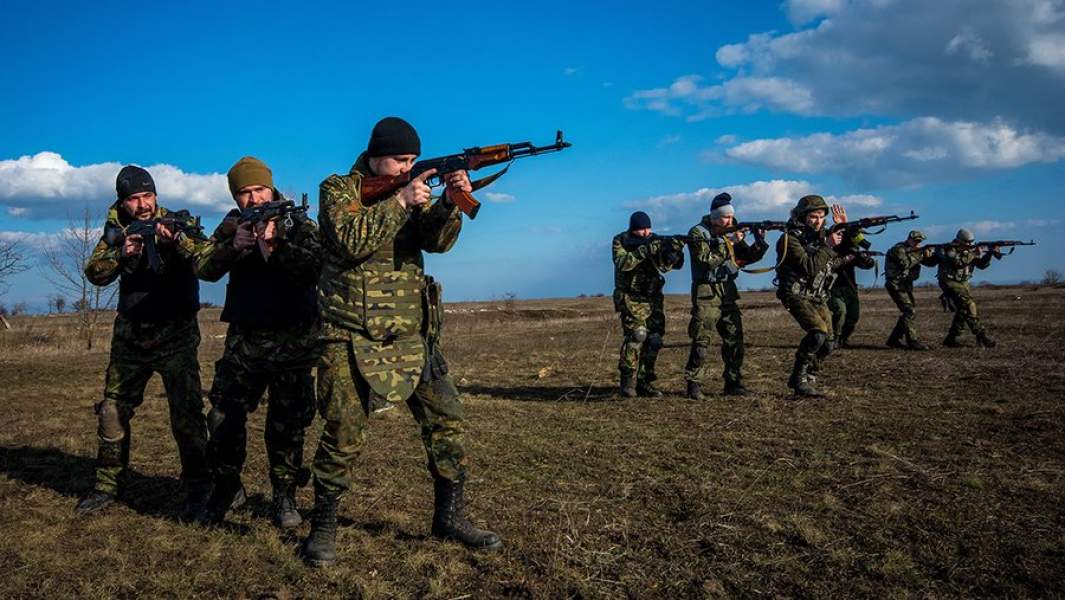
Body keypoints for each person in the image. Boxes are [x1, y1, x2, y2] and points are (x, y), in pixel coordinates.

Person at [303, 117, 501, 567]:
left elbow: (439, 243)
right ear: (375, 156)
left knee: (446, 420)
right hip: (348, 333)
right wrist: (401, 199)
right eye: (399, 160)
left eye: (412, 161)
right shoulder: (338, 188)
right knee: (343, 433)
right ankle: (325, 527)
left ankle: (449, 518)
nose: (405, 167)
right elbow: (351, 240)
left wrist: (451, 201)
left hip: (412, 332)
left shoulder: (410, 191)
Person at [192, 157, 322, 528]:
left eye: (258, 189)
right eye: (244, 192)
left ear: (271, 187)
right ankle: (227, 487)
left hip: (293, 341)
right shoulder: (231, 225)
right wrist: (234, 246)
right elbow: (203, 268)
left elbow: (316, 268)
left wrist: (277, 243)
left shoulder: (297, 221)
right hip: (244, 342)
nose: (252, 198)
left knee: (287, 424)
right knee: (222, 417)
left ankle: (284, 495)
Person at [76, 165, 211, 518]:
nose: (143, 205)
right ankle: (106, 485)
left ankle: (198, 487)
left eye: (147, 196)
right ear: (123, 202)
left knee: (187, 416)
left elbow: (205, 258)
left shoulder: (178, 223)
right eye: (134, 199)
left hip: (177, 334)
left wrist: (176, 241)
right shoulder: (117, 231)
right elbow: (94, 273)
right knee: (112, 412)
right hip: (131, 337)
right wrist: (123, 254)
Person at [683, 193, 768, 400]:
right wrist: (727, 242)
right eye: (725, 217)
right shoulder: (698, 233)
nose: (729, 221)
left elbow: (746, 257)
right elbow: (705, 261)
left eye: (731, 217)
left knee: (734, 338)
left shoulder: (731, 231)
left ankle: (733, 382)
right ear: (714, 217)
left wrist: (759, 242)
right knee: (702, 340)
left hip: (728, 293)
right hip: (706, 294)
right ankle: (694, 383)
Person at [775, 195, 856, 397]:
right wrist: (828, 244)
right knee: (817, 333)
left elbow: (832, 260)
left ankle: (809, 374)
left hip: (817, 295)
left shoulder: (822, 237)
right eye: (813, 216)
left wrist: (844, 230)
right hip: (795, 294)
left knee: (829, 342)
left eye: (821, 217)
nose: (818, 221)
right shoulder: (789, 239)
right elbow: (809, 266)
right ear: (802, 216)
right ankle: (799, 379)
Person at [611, 211, 685, 398]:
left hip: (653, 299)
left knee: (655, 339)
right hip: (631, 298)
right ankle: (627, 381)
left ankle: (645, 381)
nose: (645, 232)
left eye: (648, 228)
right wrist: (646, 249)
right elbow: (623, 263)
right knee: (637, 335)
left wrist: (674, 251)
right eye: (641, 229)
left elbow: (670, 266)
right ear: (633, 228)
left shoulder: (655, 241)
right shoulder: (620, 240)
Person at [936, 228, 1000, 348]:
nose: (970, 244)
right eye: (967, 242)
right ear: (959, 241)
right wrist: (974, 253)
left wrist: (990, 253)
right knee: (969, 305)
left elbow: (981, 265)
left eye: (972, 242)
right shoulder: (950, 249)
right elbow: (958, 263)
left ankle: (950, 339)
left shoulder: (969, 251)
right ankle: (982, 337)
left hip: (963, 284)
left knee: (962, 311)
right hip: (949, 282)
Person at [825, 205, 876, 349]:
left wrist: (863, 258)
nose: (841, 235)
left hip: (849, 286)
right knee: (840, 312)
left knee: (853, 316)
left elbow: (867, 264)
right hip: (832, 287)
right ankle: (834, 339)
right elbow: (828, 263)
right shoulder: (828, 246)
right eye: (838, 232)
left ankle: (843, 339)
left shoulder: (852, 247)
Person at [884, 230, 938, 350]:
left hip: (905, 286)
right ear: (909, 239)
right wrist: (922, 254)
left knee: (909, 311)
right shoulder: (898, 249)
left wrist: (936, 255)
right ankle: (912, 341)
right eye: (916, 241)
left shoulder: (916, 252)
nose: (918, 244)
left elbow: (929, 264)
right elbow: (906, 263)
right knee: (909, 311)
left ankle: (894, 339)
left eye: (920, 242)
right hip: (895, 285)